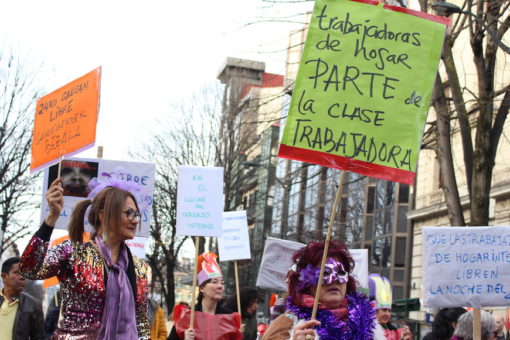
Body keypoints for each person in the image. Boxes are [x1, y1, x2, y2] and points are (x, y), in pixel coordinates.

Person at [20, 170, 151, 339]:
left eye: (137, 214)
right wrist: (52, 217)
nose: (135, 220)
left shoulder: (139, 268)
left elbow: (141, 325)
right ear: (103, 215)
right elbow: (28, 269)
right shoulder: (74, 252)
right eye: (129, 213)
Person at [262, 240, 381, 340]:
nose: (335, 280)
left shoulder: (367, 322)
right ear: (306, 282)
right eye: (324, 273)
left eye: (340, 273)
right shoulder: (288, 323)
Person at [168, 252, 242, 340]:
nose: (220, 286)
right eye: (214, 282)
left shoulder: (230, 318)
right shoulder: (187, 316)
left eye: (222, 283)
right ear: (202, 288)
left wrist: (240, 334)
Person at [0, 257, 44, 340]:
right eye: (17, 273)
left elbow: (39, 337)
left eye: (24, 273)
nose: (22, 277)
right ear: (4, 276)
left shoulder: (33, 305)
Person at [368, 274, 412, 340]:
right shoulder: (366, 331)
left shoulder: (394, 331)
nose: (387, 314)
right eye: (384, 310)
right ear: (374, 311)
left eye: (389, 311)